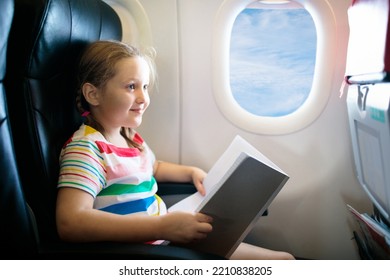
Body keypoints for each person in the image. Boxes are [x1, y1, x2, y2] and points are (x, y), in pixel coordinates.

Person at [56, 40, 295, 260]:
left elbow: (154, 168)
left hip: (167, 237)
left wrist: (191, 172)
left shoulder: (129, 138)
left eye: (145, 86)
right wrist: (163, 227)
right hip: (145, 251)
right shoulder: (86, 149)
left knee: (285, 260)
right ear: (93, 94)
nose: (143, 98)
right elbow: (71, 222)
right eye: (131, 87)